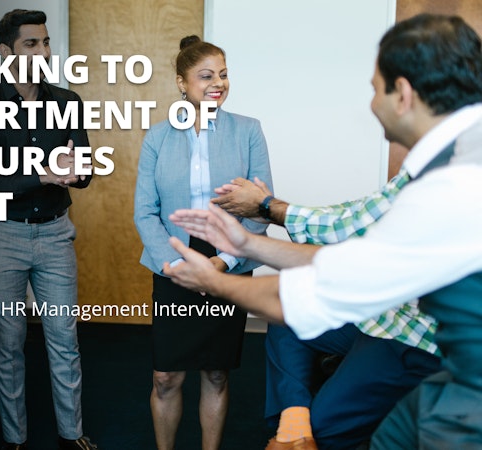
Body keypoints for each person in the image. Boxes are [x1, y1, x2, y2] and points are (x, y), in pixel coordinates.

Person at [161, 13, 482, 449]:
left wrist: (216, 280)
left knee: (330, 434)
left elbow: (332, 280)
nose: (370, 104)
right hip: (409, 324)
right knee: (291, 330)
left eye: (374, 89)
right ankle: (294, 416)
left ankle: (304, 431)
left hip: (437, 357)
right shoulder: (450, 153)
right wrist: (248, 241)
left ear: (402, 94)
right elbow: (357, 231)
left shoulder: (450, 180)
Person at [209, 165, 442, 448]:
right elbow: (356, 212)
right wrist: (268, 209)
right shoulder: (425, 165)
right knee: (291, 309)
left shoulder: (448, 170)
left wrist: (267, 206)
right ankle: (293, 418)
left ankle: (305, 431)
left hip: (414, 339)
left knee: (319, 435)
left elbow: (346, 228)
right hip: (386, 310)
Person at [0, 9, 98, 450]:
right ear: (6, 52)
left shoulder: (67, 102)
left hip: (56, 233)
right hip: (3, 236)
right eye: (31, 44)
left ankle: (71, 434)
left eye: (45, 42)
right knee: (9, 343)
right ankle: (14, 439)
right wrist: (43, 172)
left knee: (64, 339)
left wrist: (74, 171)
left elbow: (84, 170)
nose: (43, 51)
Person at [133, 35, 273, 450]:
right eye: (207, 75)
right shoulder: (157, 137)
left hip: (225, 259)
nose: (218, 83)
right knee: (166, 375)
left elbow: (262, 207)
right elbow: (145, 211)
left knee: (215, 372)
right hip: (173, 259)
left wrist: (225, 263)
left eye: (224, 74)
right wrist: (171, 265)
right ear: (182, 82)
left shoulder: (248, 131)